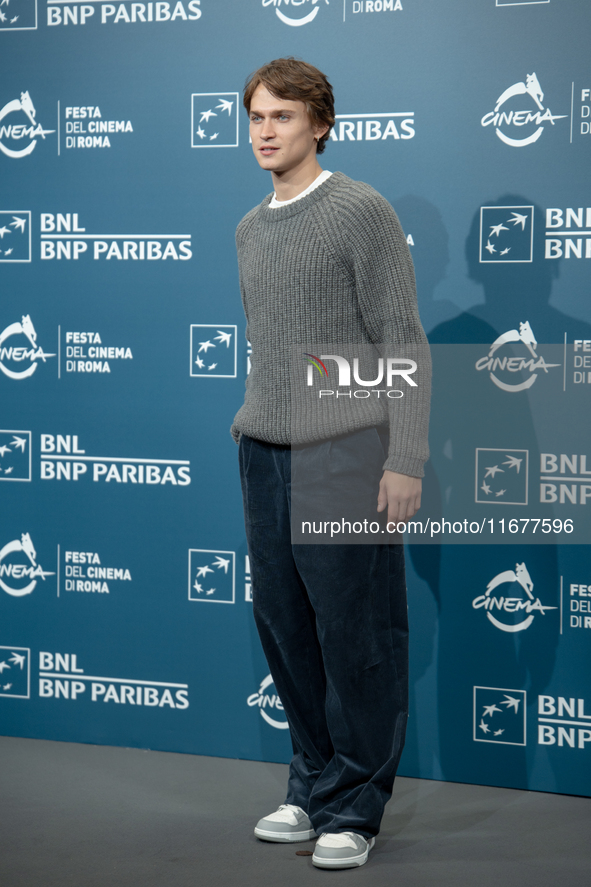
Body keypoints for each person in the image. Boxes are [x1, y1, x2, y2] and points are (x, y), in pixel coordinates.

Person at [231, 58, 430, 869]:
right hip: (263, 452)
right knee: (285, 626)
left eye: (281, 116)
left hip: (345, 450)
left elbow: (402, 339)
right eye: (254, 117)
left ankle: (355, 805)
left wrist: (405, 457)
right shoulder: (247, 227)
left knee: (356, 632)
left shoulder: (360, 210)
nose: (264, 132)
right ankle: (309, 782)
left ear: (319, 122)